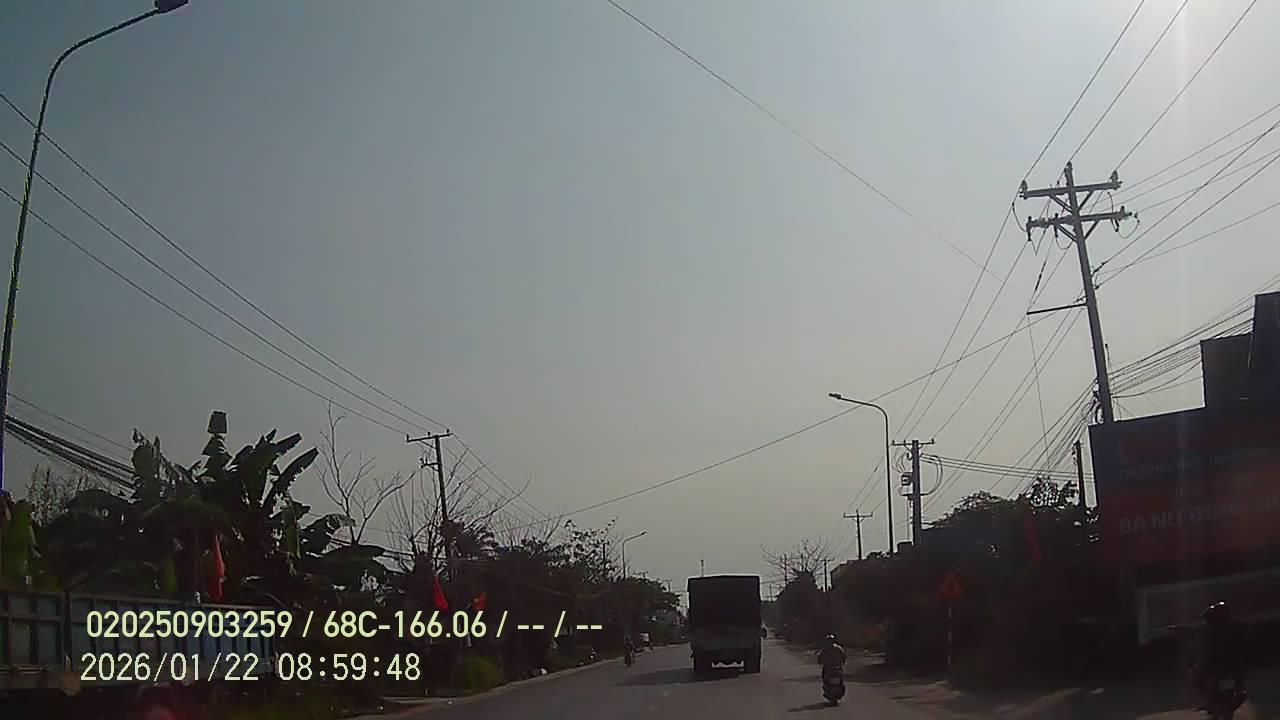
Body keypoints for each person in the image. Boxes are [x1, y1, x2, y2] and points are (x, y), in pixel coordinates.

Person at [1190, 601, 1246, 703]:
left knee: (1195, 675)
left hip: (1219, 662)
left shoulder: (1215, 629)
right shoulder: (1234, 627)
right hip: (1230, 663)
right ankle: (1235, 692)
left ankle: (1210, 697)